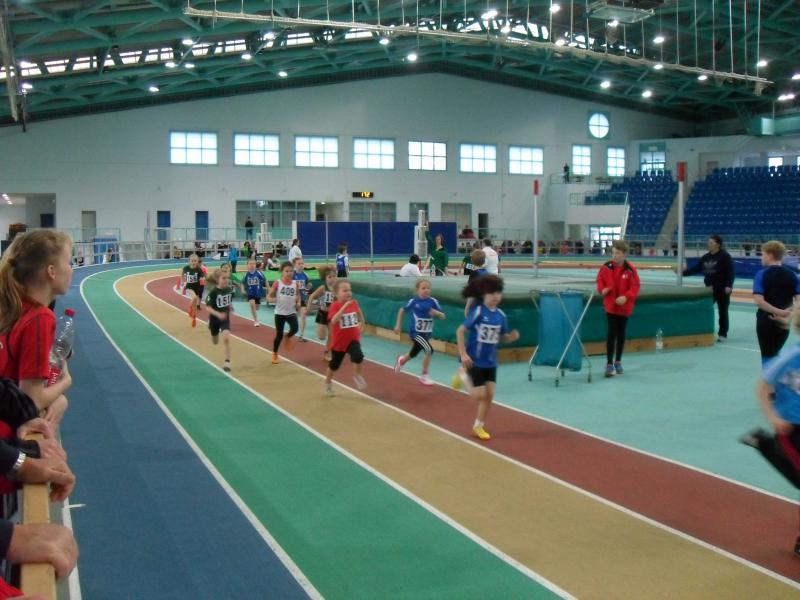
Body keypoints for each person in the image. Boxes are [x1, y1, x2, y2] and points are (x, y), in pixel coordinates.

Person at [739, 307, 800, 557]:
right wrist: (774, 417)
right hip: (790, 429)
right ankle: (765, 444)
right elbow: (762, 386)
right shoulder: (790, 357)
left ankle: (763, 444)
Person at [0, 231, 73, 424]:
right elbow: (32, 399)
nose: (71, 270)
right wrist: (66, 381)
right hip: (10, 428)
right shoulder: (40, 318)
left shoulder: (13, 306)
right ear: (51, 271)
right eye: (68, 263)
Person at [456, 275, 519, 441]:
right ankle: (462, 374)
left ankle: (479, 425)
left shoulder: (501, 316)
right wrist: (463, 354)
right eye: (491, 293)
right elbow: (460, 331)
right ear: (484, 294)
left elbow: (501, 337)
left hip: (491, 362)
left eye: (498, 293)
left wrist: (510, 338)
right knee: (479, 396)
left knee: (489, 395)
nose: (495, 296)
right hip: (475, 360)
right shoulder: (478, 312)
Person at [597, 239, 640, 377]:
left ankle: (618, 361)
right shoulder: (607, 267)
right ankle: (609, 363)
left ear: (624, 254)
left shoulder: (630, 270)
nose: (614, 255)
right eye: (613, 253)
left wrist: (626, 297)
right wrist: (602, 289)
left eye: (617, 253)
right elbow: (600, 279)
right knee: (611, 333)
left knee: (621, 334)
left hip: (624, 307)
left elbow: (635, 287)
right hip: (610, 306)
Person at [753, 241, 800, 365]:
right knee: (776, 355)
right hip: (784, 322)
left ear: (770, 255)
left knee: (767, 357)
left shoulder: (761, 274)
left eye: (763, 254)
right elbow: (799, 301)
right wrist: (786, 313)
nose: (761, 257)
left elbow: (759, 301)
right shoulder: (792, 275)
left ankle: (769, 377)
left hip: (766, 320)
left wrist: (778, 312)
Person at [682, 234, 735, 342]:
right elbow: (696, 269)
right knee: (703, 308)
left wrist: (729, 285)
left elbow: (731, 271)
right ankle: (703, 331)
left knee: (722, 312)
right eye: (708, 242)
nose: (709, 244)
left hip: (722, 289)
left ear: (718, 244)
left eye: (711, 242)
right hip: (709, 289)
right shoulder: (705, 257)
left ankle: (722, 334)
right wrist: (682, 273)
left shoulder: (725, 256)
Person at [393, 279, 446, 385]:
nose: (426, 290)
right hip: (415, 333)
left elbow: (443, 316)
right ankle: (424, 375)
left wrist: (436, 313)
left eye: (428, 288)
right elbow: (402, 310)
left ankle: (401, 360)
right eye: (423, 288)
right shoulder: (414, 301)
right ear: (417, 290)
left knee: (414, 353)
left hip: (426, 334)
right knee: (429, 350)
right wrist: (398, 325)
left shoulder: (433, 301)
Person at [324, 280, 366, 396]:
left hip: (353, 339)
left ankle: (357, 375)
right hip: (339, 343)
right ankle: (328, 383)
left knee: (358, 356)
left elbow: (358, 311)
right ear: (336, 293)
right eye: (345, 290)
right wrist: (344, 307)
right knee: (334, 365)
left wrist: (362, 321)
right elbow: (333, 321)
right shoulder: (335, 306)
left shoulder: (354, 303)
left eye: (350, 290)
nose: (348, 292)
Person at [267, 262, 300, 364]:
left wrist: (298, 302)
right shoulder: (278, 283)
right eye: (287, 271)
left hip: (291, 312)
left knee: (295, 329)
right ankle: (275, 353)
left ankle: (288, 336)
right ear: (282, 272)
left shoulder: (295, 283)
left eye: (291, 271)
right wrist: (271, 299)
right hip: (279, 313)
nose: (289, 273)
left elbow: (298, 295)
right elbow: (269, 296)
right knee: (279, 335)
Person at [205, 269, 233, 372]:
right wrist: (218, 314)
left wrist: (230, 307)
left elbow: (228, 301)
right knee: (215, 341)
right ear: (217, 280)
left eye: (227, 278)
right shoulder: (213, 292)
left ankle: (227, 362)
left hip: (225, 319)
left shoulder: (229, 289)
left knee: (226, 338)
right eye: (223, 278)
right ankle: (210, 324)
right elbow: (208, 308)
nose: (226, 280)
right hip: (214, 319)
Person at [307, 265, 337, 361]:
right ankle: (320, 328)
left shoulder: (338, 289)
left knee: (332, 335)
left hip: (332, 315)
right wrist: (308, 308)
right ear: (325, 278)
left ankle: (327, 352)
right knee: (322, 337)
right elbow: (312, 296)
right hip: (322, 313)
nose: (332, 279)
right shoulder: (323, 288)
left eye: (334, 276)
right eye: (329, 277)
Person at [240, 257, 266, 327]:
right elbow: (242, 282)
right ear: (247, 265)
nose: (252, 265)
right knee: (252, 305)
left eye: (253, 264)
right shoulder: (246, 274)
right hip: (250, 292)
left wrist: (269, 289)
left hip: (258, 292)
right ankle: (256, 320)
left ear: (255, 265)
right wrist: (242, 290)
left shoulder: (259, 273)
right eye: (250, 264)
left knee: (257, 308)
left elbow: (265, 280)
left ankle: (253, 309)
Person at [181, 254, 203, 328]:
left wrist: (202, 278)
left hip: (196, 287)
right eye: (192, 261)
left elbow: (202, 276)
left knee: (195, 306)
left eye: (195, 261)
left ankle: (194, 318)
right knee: (194, 298)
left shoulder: (199, 269)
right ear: (189, 261)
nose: (194, 262)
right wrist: (182, 281)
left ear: (197, 261)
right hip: (189, 287)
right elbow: (182, 274)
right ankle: (189, 307)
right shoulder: (186, 268)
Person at [292, 257, 312, 341]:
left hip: (303, 298)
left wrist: (306, 290)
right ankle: (292, 331)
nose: (301, 265)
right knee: (293, 317)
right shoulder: (292, 275)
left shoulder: (305, 275)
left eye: (302, 263)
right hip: (293, 299)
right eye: (299, 264)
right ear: (294, 265)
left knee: (303, 316)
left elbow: (309, 284)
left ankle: (301, 335)